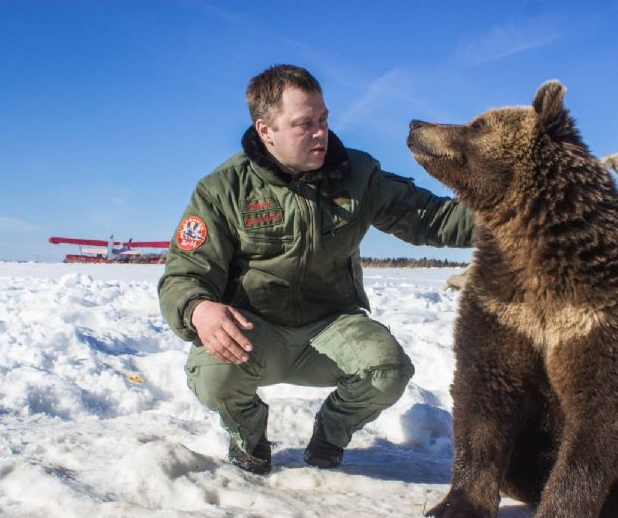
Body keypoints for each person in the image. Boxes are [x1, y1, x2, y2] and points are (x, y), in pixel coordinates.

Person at [158, 64, 474, 475]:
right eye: (304, 124)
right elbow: (184, 274)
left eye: (323, 120)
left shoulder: (358, 175)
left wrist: (524, 211)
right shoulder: (223, 189)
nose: (320, 133)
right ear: (266, 129)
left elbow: (433, 218)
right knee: (214, 375)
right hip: (257, 333)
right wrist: (199, 308)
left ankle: (330, 433)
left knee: (388, 370)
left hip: (330, 327)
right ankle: (249, 438)